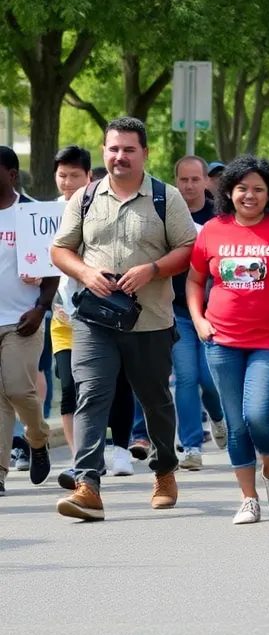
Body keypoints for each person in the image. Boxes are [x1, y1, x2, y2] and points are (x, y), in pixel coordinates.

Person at [51, 117, 196, 521]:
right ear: (104, 152)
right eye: (114, 149)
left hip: (149, 321)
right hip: (94, 320)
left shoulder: (167, 198)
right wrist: (84, 273)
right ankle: (87, 486)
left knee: (155, 401)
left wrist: (153, 269)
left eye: (129, 149)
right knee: (91, 395)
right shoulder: (85, 198)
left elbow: (189, 247)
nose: (120, 157)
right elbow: (60, 249)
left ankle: (165, 469)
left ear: (144, 153)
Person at [187, 156, 269, 524]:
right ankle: (248, 498)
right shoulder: (212, 229)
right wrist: (198, 320)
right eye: (242, 188)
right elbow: (195, 280)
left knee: (257, 413)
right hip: (221, 340)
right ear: (229, 191)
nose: (250, 195)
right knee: (235, 421)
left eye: (259, 189)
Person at [51, 146, 137, 490]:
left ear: (89, 176)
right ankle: (82, 461)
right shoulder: (43, 213)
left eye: (74, 175)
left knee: (113, 385)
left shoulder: (98, 206)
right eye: (62, 175)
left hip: (101, 312)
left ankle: (120, 449)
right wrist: (47, 296)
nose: (67, 182)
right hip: (61, 315)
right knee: (71, 388)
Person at [0, 147, 56, 496]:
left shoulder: (32, 213)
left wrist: (41, 308)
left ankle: (37, 439)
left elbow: (53, 266)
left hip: (23, 319)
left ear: (12, 175)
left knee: (18, 389)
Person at [171, 155, 226, 470]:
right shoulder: (167, 212)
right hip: (177, 308)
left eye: (195, 179)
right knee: (186, 378)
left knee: (210, 377)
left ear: (206, 181)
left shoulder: (219, 216)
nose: (189, 186)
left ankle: (218, 417)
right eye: (183, 180)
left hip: (214, 310)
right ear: (176, 181)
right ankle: (191, 445)